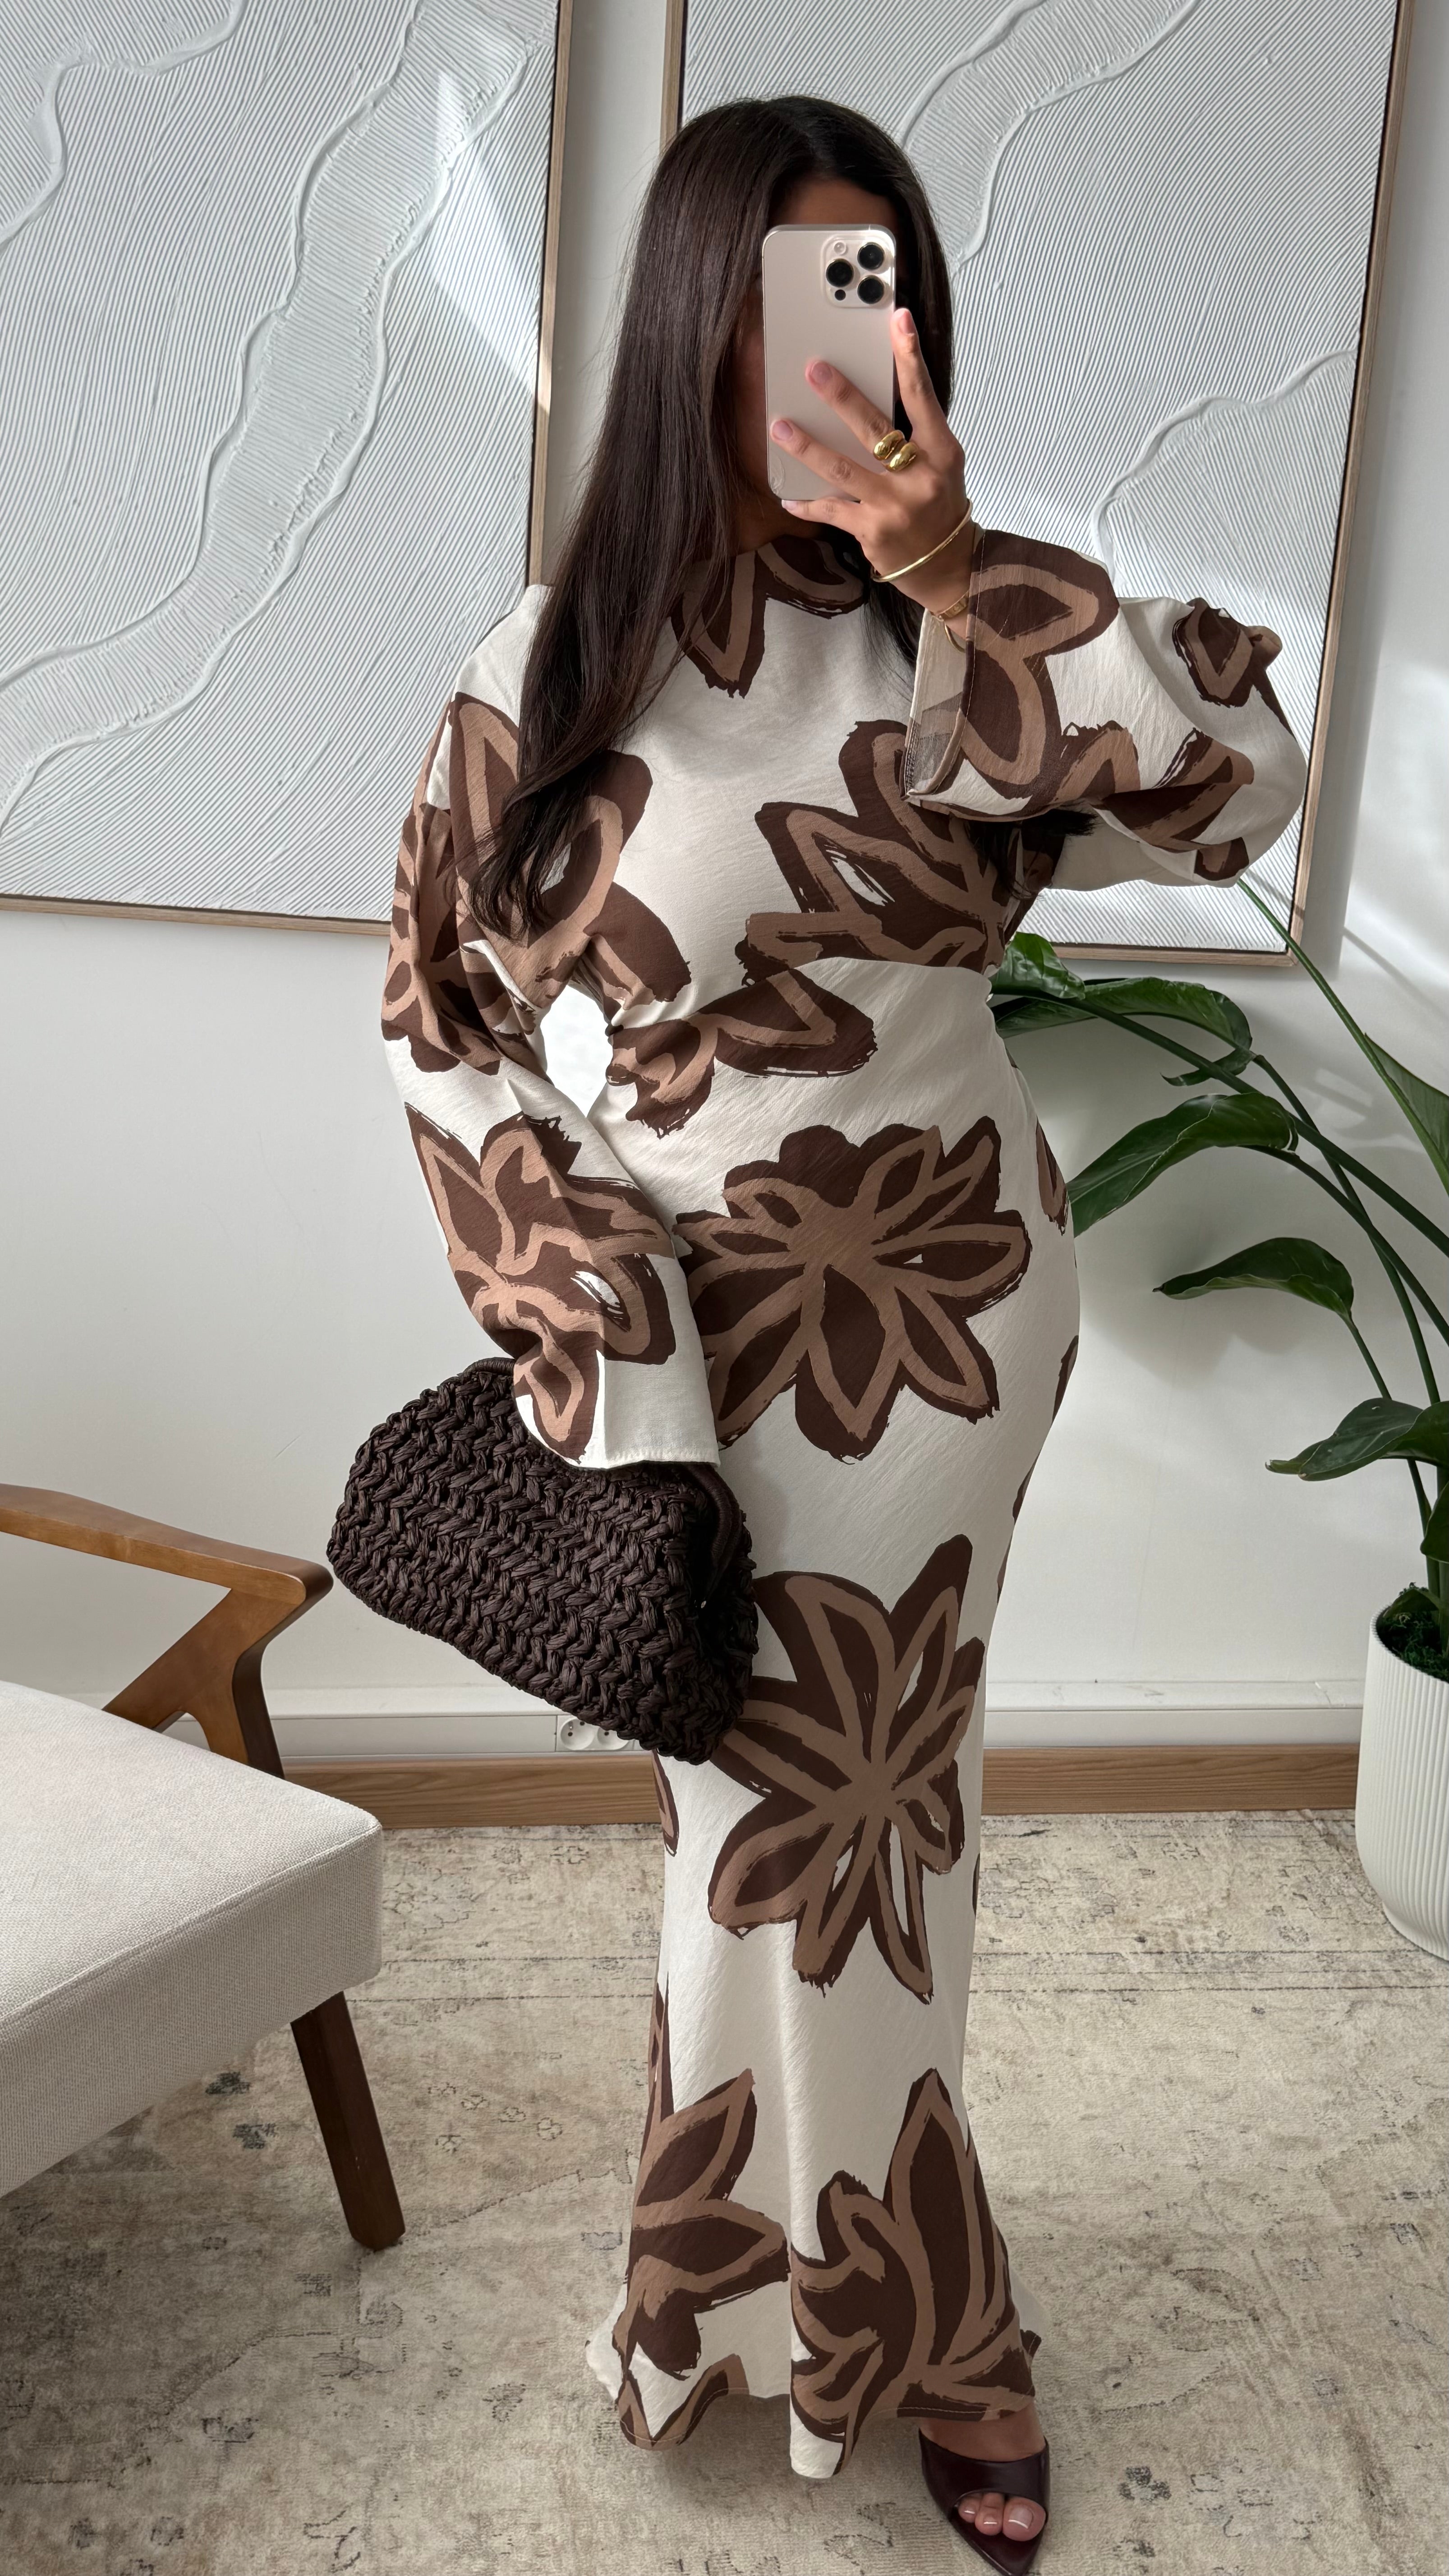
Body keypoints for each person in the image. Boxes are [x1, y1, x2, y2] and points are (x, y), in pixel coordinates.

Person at [381, 95, 1307, 2569]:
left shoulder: (973, 635)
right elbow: (444, 1029)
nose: (831, 343)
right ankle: (822, 2297)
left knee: (864, 1828)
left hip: (937, 1332)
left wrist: (959, 562)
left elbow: (1237, 795)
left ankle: (859, 2318)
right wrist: (587, 1312)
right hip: (678, 1353)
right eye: (787, 293)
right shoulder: (552, 668)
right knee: (775, 1842)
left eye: (871, 286)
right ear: (693, 319)